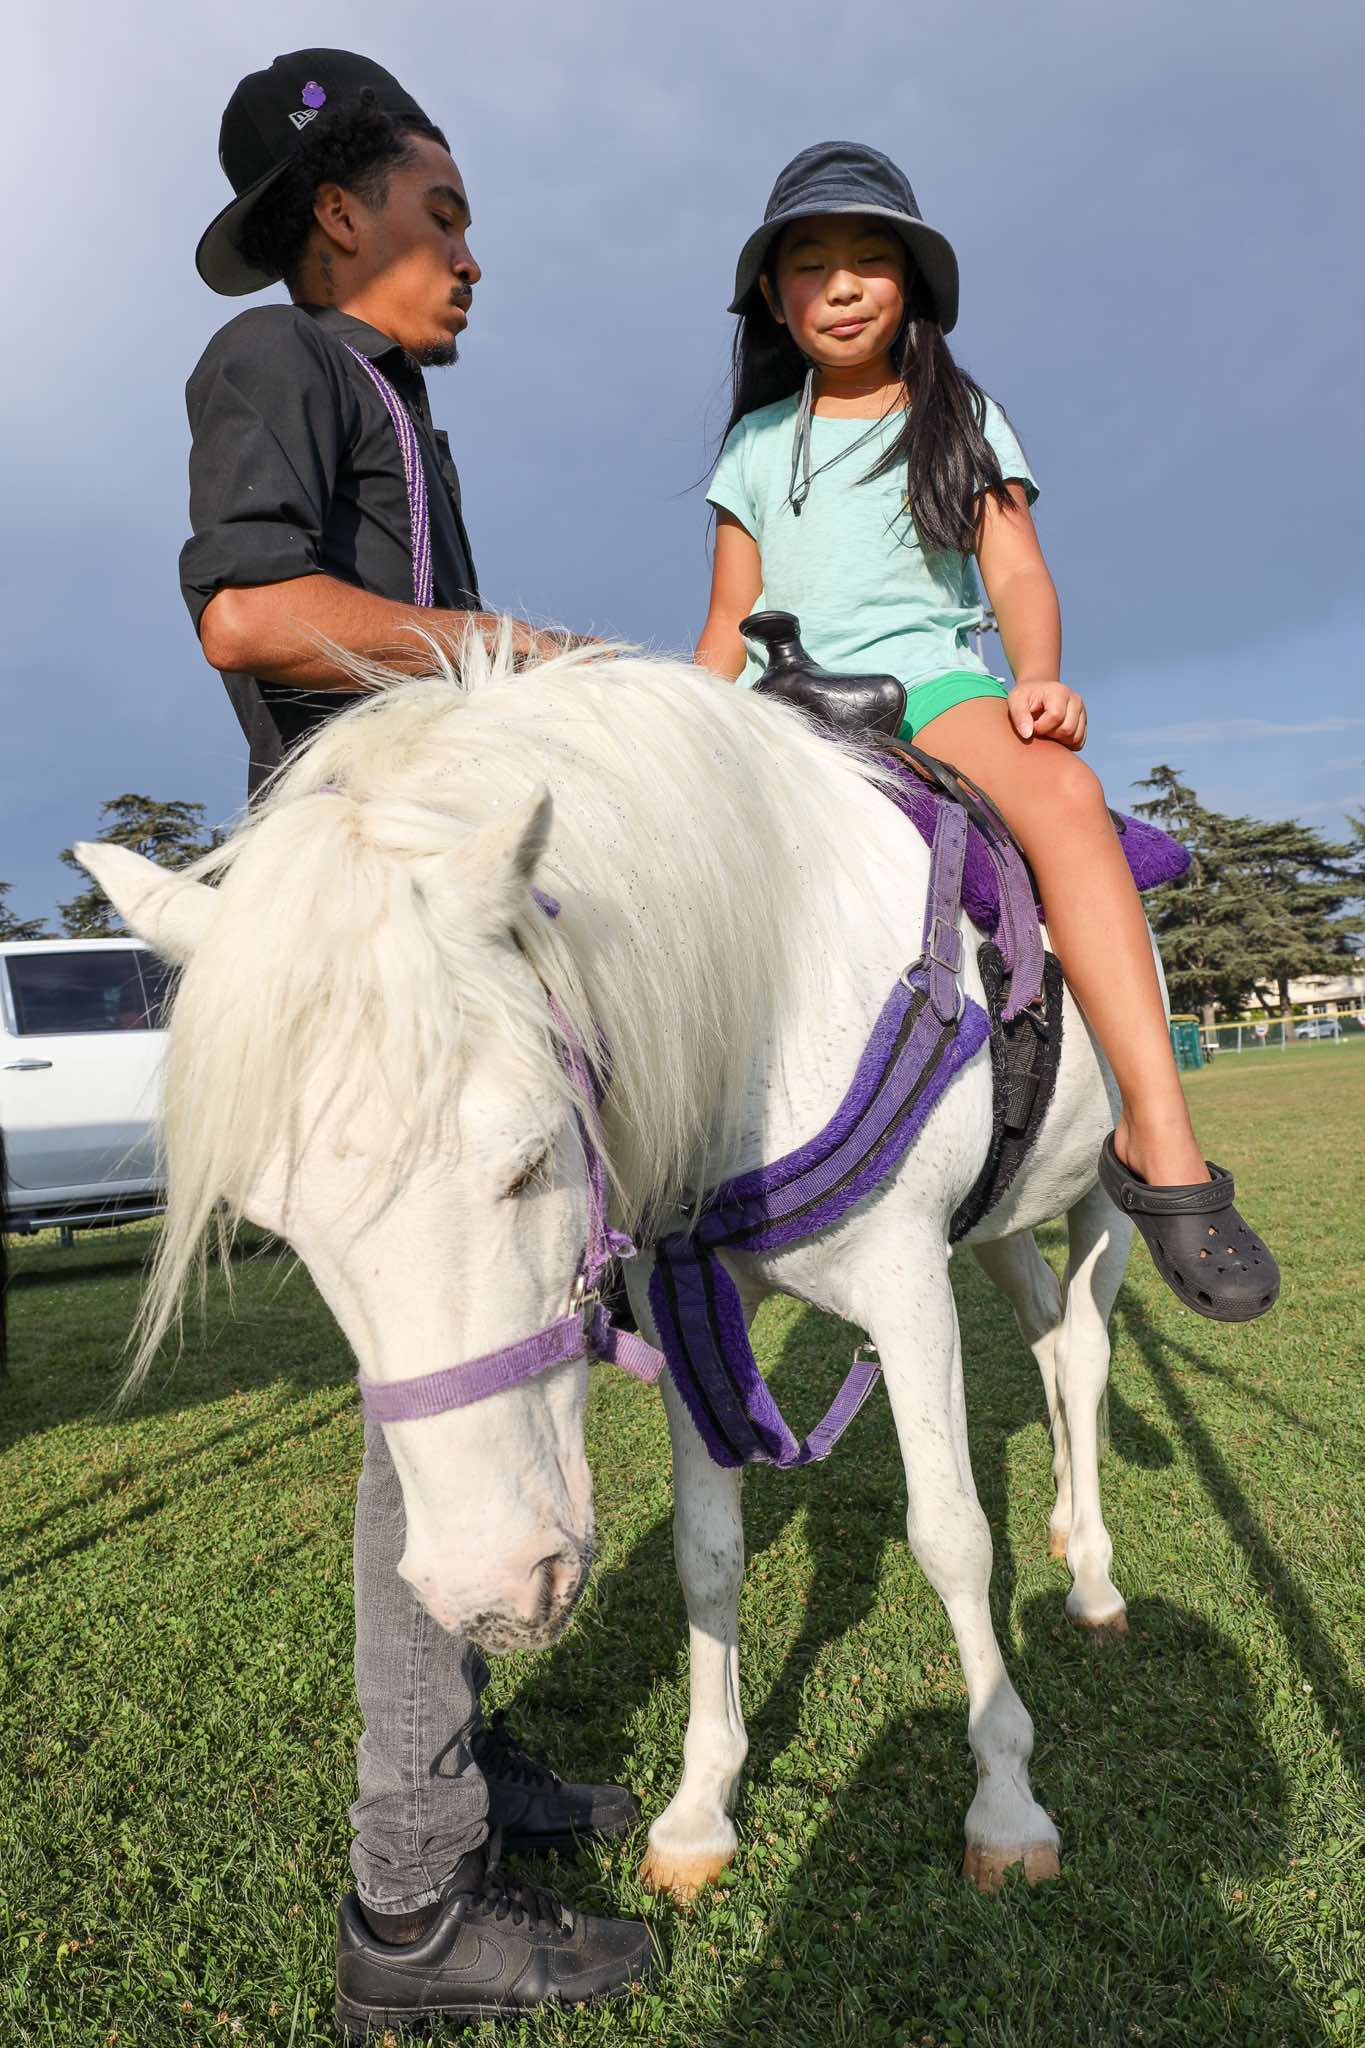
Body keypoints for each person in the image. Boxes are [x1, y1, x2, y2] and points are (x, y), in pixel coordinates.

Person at [179, 49, 654, 2030]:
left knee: (448, 1387)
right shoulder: (272, 359)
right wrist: (523, 654)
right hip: (364, 943)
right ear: (338, 214)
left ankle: (451, 1761)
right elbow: (247, 615)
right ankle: (410, 1896)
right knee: (429, 1399)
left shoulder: (395, 404)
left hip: (425, 918)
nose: (470, 254)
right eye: (439, 213)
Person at [698, 142, 1279, 1322]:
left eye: (870, 260)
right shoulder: (754, 446)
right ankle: (649, 1177)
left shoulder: (960, 415)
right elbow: (726, 621)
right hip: (781, 708)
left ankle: (1160, 1133)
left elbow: (1015, 572)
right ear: (771, 293)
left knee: (1063, 795)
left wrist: (1039, 676)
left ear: (912, 283)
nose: (842, 284)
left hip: (927, 690)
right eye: (810, 264)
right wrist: (682, 731)